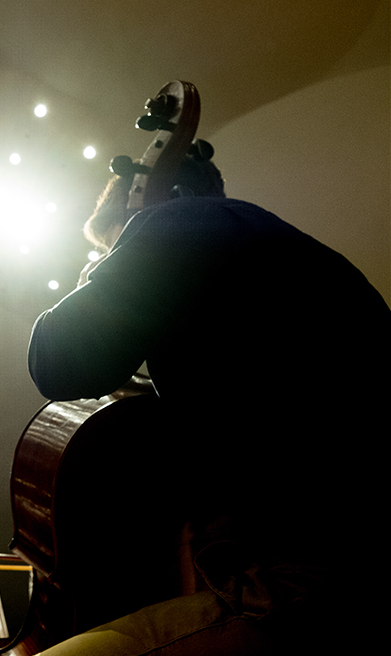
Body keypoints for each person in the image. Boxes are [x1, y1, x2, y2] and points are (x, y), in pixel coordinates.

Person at [26, 154, 389, 654]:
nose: (116, 257)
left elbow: (58, 362)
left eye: (112, 246)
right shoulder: (267, 248)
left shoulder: (175, 220)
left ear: (145, 205)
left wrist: (97, 278)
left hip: (319, 583)